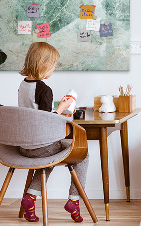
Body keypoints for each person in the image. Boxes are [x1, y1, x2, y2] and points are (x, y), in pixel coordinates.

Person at [18, 42, 88, 223]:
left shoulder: (23, 85)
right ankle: (74, 200)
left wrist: (57, 110)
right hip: (41, 146)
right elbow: (46, 121)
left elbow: (35, 114)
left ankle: (30, 198)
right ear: (44, 64)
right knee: (83, 154)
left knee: (48, 157)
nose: (53, 69)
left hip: (24, 146)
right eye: (53, 65)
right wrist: (63, 108)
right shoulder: (44, 89)